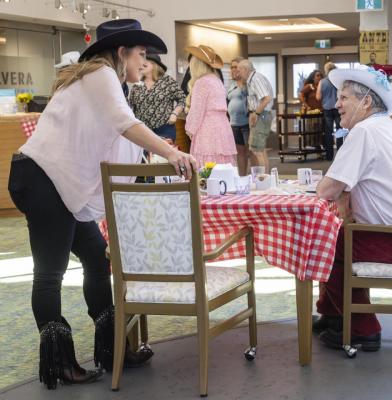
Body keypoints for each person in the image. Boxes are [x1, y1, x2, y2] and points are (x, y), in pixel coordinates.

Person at [8, 19, 195, 390]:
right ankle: (59, 362)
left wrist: (151, 161)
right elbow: (124, 125)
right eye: (141, 54)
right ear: (121, 51)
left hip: (56, 181)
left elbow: (116, 135)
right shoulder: (100, 74)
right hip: (43, 178)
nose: (146, 63)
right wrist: (172, 152)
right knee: (50, 272)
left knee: (96, 258)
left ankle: (111, 350)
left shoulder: (104, 80)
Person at [313, 66, 392, 351]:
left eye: (344, 97)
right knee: (337, 237)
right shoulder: (384, 126)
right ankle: (334, 315)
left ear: (366, 102)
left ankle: (363, 330)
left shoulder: (365, 132)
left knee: (327, 243)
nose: (336, 103)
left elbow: (326, 190)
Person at [185, 45, 236, 168]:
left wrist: (189, 129)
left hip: (208, 128)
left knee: (207, 167)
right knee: (222, 165)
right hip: (223, 127)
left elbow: (197, 111)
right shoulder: (216, 80)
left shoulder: (201, 82)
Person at [129, 54, 186, 143]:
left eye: (144, 63)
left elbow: (182, 99)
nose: (141, 65)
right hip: (143, 131)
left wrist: (174, 114)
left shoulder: (167, 81)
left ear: (153, 65)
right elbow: (130, 106)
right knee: (145, 157)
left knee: (162, 156)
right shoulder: (137, 84)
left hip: (164, 129)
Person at [237, 59, 274, 172]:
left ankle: (264, 180)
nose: (238, 73)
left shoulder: (256, 79)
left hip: (261, 115)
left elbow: (266, 99)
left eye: (239, 70)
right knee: (260, 150)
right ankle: (266, 179)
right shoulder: (252, 79)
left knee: (257, 150)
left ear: (245, 69)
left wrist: (256, 113)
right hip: (261, 114)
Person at [227, 56, 250, 175]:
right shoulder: (230, 85)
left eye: (236, 67)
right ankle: (242, 177)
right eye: (231, 67)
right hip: (234, 123)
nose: (233, 69)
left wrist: (241, 81)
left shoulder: (248, 83)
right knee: (239, 153)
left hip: (247, 123)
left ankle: (257, 177)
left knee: (250, 152)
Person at [316, 62, 342, 160]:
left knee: (328, 132)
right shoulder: (339, 81)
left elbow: (318, 97)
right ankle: (340, 155)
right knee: (339, 131)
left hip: (327, 109)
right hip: (338, 108)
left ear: (326, 71)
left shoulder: (322, 82)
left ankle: (329, 156)